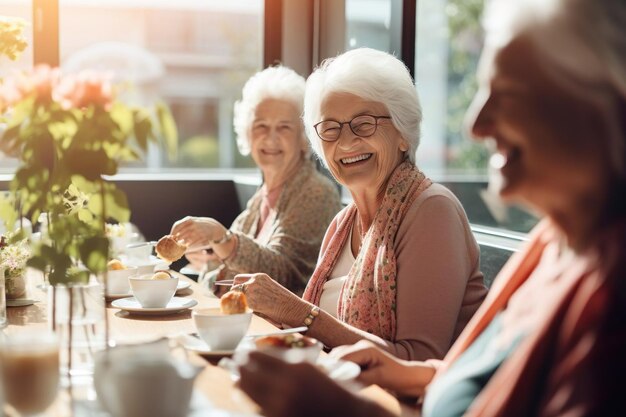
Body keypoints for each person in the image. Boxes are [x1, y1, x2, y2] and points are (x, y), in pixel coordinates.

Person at [237, 0, 626, 416]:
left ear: (600, 102)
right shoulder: (552, 244)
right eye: (330, 129)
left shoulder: (611, 290)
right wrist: (417, 374)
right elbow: (485, 376)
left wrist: (347, 409)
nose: (475, 124)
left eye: (508, 94)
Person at [232, 48, 487, 361]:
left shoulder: (433, 211)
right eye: (330, 128)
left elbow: (418, 360)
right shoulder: (341, 226)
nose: (346, 142)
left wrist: (298, 312)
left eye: (364, 123)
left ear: (403, 133)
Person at [172, 66, 341, 294]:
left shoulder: (317, 192)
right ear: (247, 133)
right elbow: (234, 269)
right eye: (261, 126)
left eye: (284, 127)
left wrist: (221, 238)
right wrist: (210, 258)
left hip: (285, 329)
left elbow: (283, 276)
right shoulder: (261, 198)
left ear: (304, 138)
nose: (270, 138)